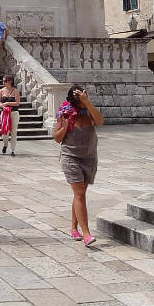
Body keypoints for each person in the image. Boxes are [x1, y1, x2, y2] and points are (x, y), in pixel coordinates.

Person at [54, 85, 104, 246]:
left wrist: (87, 103)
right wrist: (66, 125)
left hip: (89, 157)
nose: (83, 102)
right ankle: (86, 234)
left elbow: (100, 121)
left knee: (79, 195)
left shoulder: (89, 111)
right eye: (80, 101)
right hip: (71, 157)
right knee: (80, 193)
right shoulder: (65, 113)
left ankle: (74, 228)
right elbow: (57, 138)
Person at [0, 75, 21, 156]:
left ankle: (13, 149)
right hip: (4, 113)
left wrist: (7, 103)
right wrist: (2, 106)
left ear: (10, 81)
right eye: (3, 81)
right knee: (4, 131)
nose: (3, 82)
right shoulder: (1, 91)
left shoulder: (15, 91)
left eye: (4, 81)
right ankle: (5, 144)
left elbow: (17, 102)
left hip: (14, 112)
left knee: (14, 131)